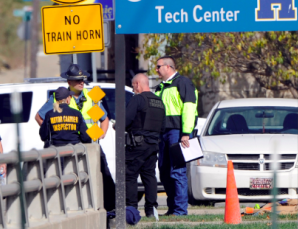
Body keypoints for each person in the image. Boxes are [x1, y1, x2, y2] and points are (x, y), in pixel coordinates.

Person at [35, 64, 116, 210]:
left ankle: (111, 209)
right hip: (69, 145)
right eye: (78, 80)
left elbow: (104, 119)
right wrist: (53, 132)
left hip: (90, 144)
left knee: (104, 174)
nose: (81, 83)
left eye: (83, 80)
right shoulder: (59, 97)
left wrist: (99, 135)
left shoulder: (92, 95)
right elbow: (40, 117)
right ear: (69, 83)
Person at [154, 56, 199, 216]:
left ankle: (180, 210)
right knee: (164, 170)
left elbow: (189, 108)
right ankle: (173, 207)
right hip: (163, 133)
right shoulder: (161, 87)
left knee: (177, 171)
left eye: (158, 67)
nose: (156, 70)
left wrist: (186, 133)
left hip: (177, 132)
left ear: (168, 67)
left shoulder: (183, 83)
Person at [124, 73, 165, 217]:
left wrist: (118, 126)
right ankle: (151, 210)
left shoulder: (138, 99)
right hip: (153, 144)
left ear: (137, 84)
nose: (133, 89)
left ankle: (131, 209)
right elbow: (163, 126)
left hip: (137, 144)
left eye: (133, 86)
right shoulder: (159, 101)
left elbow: (126, 120)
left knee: (129, 175)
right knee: (149, 177)